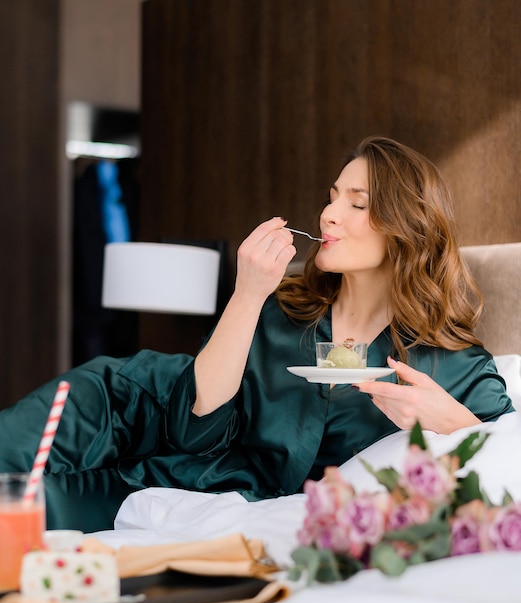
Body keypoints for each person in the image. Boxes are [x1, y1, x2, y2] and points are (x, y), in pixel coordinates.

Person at [0, 137, 513, 532]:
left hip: (185, 491)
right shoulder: (281, 311)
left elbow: (506, 469)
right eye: (333, 197)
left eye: (357, 204)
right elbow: (195, 426)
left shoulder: (454, 364)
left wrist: (454, 423)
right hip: (147, 429)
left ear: (407, 227)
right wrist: (247, 295)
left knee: (31, 510)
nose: (329, 213)